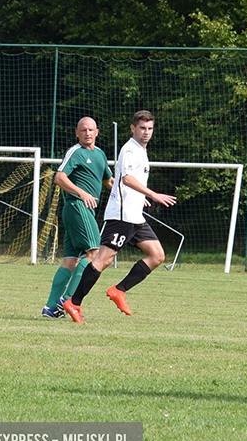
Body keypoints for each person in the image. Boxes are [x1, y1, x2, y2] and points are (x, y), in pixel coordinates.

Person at [63, 110, 177, 324]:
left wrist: (139, 197)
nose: (146, 132)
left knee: (157, 255)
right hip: (121, 217)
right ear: (133, 128)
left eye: (150, 128)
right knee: (102, 260)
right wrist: (151, 194)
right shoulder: (130, 150)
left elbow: (130, 182)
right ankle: (74, 303)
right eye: (142, 128)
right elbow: (126, 178)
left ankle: (119, 290)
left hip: (135, 216)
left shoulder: (142, 151)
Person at [41, 117, 114, 318]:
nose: (87, 133)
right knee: (95, 252)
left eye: (91, 130)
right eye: (83, 130)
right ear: (77, 133)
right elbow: (59, 177)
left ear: (97, 132)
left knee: (71, 261)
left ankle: (49, 308)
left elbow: (109, 180)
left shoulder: (99, 154)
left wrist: (133, 194)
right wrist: (81, 193)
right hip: (76, 206)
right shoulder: (75, 152)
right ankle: (68, 299)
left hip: (83, 210)